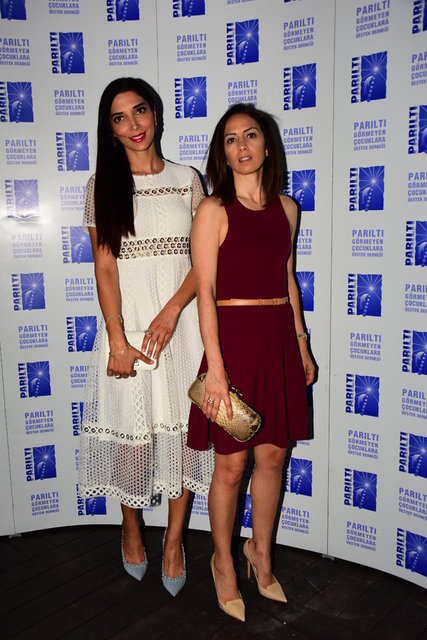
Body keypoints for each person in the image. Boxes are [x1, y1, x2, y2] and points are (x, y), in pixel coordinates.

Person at [78, 77, 214, 596]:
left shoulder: (187, 180)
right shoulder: (100, 187)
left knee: (184, 439)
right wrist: (117, 340)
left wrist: (173, 311)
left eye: (140, 111)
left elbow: (205, 259)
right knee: (131, 438)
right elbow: (105, 268)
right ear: (109, 130)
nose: (133, 125)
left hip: (183, 331)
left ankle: (174, 541)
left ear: (155, 113)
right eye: (119, 118)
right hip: (128, 332)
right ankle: (131, 526)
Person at [188, 103, 315, 621]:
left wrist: (301, 344)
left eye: (251, 135)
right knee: (231, 464)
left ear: (267, 145)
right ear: (223, 153)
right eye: (231, 139)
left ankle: (260, 556)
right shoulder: (212, 210)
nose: (242, 146)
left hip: (278, 341)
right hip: (233, 346)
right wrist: (216, 370)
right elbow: (205, 291)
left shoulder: (288, 209)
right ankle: (223, 562)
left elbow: (288, 278)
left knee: (273, 458)